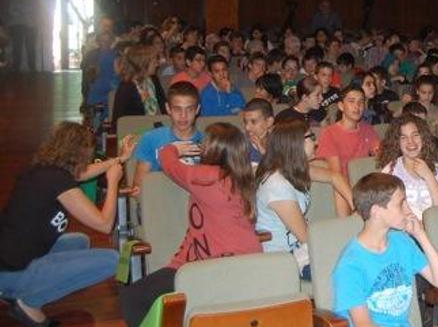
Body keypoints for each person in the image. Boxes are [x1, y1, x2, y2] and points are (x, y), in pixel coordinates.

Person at [119, 123, 262, 326]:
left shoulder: (207, 177)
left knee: (132, 297)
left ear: (212, 149)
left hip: (211, 264)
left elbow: (169, 165)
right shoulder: (244, 175)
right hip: (249, 262)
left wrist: (174, 148)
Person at [0, 123, 135, 326]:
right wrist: (113, 181)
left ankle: (23, 286)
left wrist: (119, 159)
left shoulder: (46, 170)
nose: (90, 158)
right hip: (11, 271)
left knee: (79, 241)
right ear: (79, 153)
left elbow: (82, 173)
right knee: (113, 260)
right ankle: (28, 302)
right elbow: (105, 224)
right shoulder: (57, 181)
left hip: (11, 258)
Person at [332, 173, 438, 326]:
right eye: (401, 204)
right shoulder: (350, 265)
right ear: (376, 211)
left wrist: (421, 235)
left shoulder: (403, 242)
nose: (408, 210)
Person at [256, 120, 353, 280]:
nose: (316, 142)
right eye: (311, 137)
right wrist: (340, 239)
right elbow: (306, 237)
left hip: (304, 248)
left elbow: (335, 177)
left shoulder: (292, 167)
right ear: (296, 143)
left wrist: (355, 208)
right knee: (353, 265)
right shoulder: (277, 185)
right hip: (287, 257)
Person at [315, 86, 381, 216]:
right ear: (341, 106)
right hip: (343, 188)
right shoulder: (330, 133)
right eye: (351, 101)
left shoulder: (368, 129)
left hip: (366, 186)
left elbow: (380, 158)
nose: (357, 106)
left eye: (361, 102)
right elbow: (336, 173)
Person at [131, 81, 204, 192]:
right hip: (159, 203)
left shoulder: (208, 143)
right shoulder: (151, 139)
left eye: (189, 109)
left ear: (197, 109)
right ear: (168, 108)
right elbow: (138, 190)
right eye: (177, 109)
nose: (183, 116)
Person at [377, 115, 438, 219]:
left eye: (415, 135)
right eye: (403, 137)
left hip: (435, 227)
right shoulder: (390, 171)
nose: (410, 142)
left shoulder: (437, 169)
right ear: (397, 142)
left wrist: (428, 176)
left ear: (423, 138)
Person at [111, 44, 167, 128]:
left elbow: (163, 106)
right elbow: (118, 122)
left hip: (158, 128)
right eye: (154, 61)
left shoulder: (154, 80)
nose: (157, 64)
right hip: (135, 132)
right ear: (143, 63)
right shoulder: (126, 88)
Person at [242, 98, 275, 165]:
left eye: (253, 122)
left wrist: (263, 152)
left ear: (269, 122)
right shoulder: (240, 145)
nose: (247, 128)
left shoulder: (280, 142)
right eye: (245, 122)